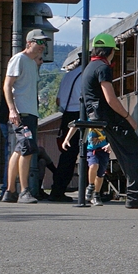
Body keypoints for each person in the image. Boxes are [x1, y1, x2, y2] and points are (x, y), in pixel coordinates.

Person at [79, 32, 138, 210]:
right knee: (136, 150)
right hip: (106, 115)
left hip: (97, 115)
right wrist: (128, 117)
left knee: (126, 153)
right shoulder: (103, 68)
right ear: (110, 52)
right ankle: (136, 195)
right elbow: (110, 99)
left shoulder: (89, 66)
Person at [2, 29, 50, 203]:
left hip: (30, 112)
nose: (42, 46)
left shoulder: (31, 63)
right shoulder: (19, 59)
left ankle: (9, 191)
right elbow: (7, 85)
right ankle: (24, 191)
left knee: (19, 149)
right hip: (21, 112)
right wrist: (12, 109)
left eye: (44, 43)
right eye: (39, 42)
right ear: (29, 42)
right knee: (28, 148)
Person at [47, 50, 89, 201]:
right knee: (90, 153)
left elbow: (58, 100)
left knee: (67, 156)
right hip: (80, 113)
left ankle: (57, 189)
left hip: (66, 116)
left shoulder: (68, 75)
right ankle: (92, 190)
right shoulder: (86, 75)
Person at [84, 123, 111, 205]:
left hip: (103, 150)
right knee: (94, 165)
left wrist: (110, 144)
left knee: (100, 174)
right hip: (92, 150)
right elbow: (74, 126)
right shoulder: (87, 121)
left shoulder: (105, 121)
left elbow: (114, 135)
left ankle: (96, 194)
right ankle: (90, 186)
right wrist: (67, 139)